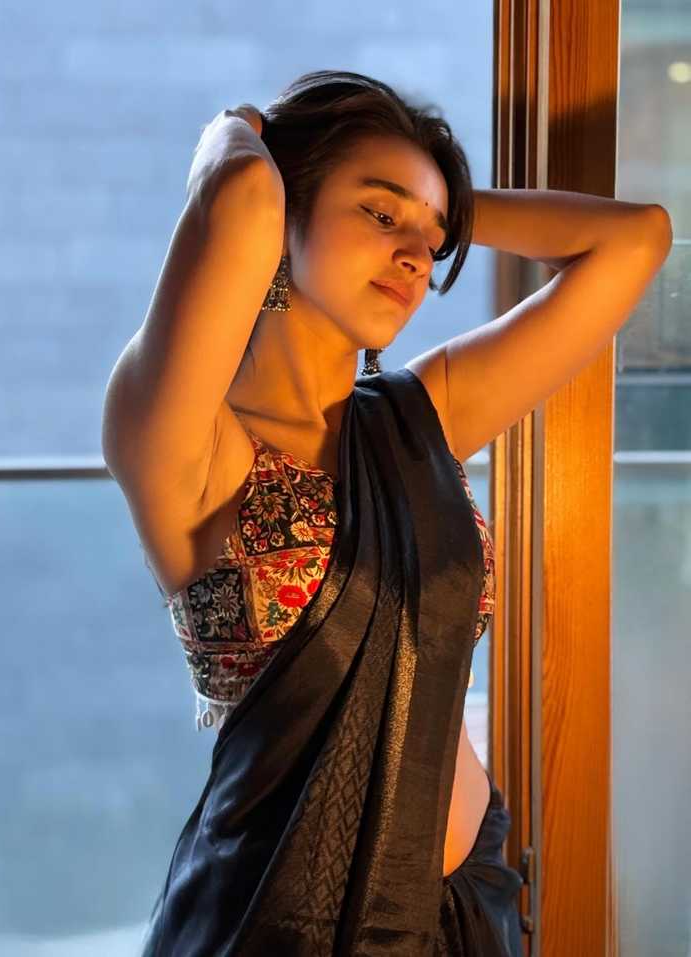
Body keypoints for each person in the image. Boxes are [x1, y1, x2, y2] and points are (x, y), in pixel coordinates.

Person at [101, 69, 672, 956]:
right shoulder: (184, 442)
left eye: (432, 242)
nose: (415, 257)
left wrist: (445, 210)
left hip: (467, 907)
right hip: (277, 923)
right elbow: (241, 194)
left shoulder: (419, 417)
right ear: (284, 214)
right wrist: (233, 130)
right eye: (378, 213)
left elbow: (635, 241)